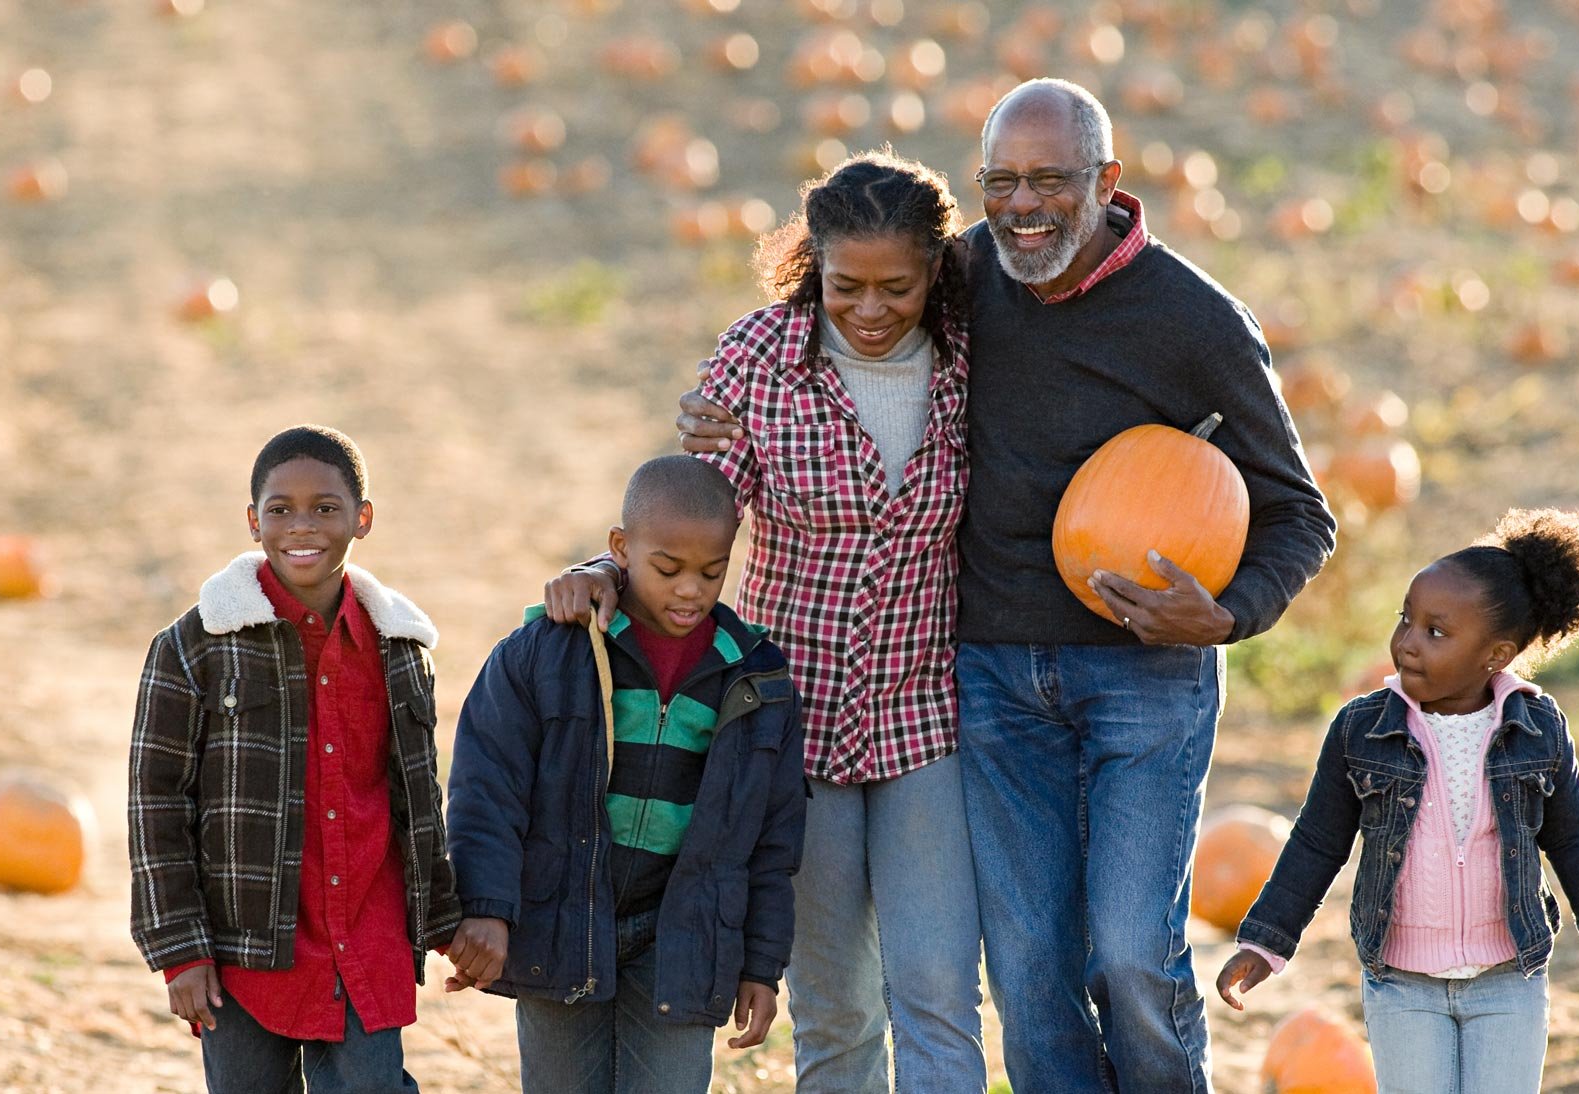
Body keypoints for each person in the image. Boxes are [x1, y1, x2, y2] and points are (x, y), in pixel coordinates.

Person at [678, 79, 1338, 1091]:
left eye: (1048, 180)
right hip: (986, 673)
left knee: (1126, 950)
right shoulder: (959, 279)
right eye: (1001, 182)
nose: (1023, 205)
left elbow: (1300, 510)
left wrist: (1228, 610)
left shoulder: (1195, 320)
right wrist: (713, 428)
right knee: (1026, 965)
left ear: (1106, 181)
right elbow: (832, 317)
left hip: (1143, 672)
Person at [550, 151, 990, 1091]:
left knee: (939, 994)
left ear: (936, 273)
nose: (871, 310)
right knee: (833, 1007)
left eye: (897, 288)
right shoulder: (759, 360)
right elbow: (698, 516)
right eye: (847, 287)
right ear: (813, 268)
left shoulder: (973, 358)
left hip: (928, 720)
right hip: (791, 725)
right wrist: (606, 568)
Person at [1217, 508, 1579, 1093]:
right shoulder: (1362, 730)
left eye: (1435, 632)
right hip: (1402, 981)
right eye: (1405, 620)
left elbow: (1578, 842)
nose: (1407, 644)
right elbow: (1316, 843)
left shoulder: (1538, 730)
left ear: (1496, 655)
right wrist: (1265, 942)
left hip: (1509, 978)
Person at [448, 455, 807, 1094]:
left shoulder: (758, 682)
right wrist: (486, 908)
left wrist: (760, 965)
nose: (691, 589)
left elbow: (771, 845)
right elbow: (486, 789)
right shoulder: (549, 652)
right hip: (561, 921)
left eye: (712, 571)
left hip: (684, 938)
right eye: (668, 569)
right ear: (621, 548)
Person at [126, 425, 462, 1094]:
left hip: (366, 936)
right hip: (244, 945)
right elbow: (156, 802)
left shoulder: (401, 650)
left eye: (326, 508)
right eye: (280, 509)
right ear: (254, 521)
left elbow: (419, 804)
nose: (301, 526)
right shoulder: (194, 647)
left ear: (362, 519)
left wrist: (447, 921)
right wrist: (180, 952)